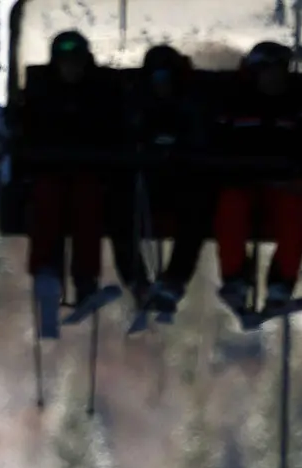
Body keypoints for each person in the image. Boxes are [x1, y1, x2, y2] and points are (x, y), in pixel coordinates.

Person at [20, 30, 122, 340]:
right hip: (49, 174)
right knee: (47, 201)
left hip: (87, 175)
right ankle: (47, 274)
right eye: (65, 63)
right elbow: (24, 131)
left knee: (87, 206)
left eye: (76, 63)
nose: (71, 70)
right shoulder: (40, 94)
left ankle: (85, 281)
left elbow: (112, 131)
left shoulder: (99, 95)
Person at [102, 44, 210, 333]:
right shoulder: (136, 102)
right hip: (144, 182)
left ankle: (174, 281)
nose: (162, 85)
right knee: (119, 210)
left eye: (168, 78)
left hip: (180, 182)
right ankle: (137, 281)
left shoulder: (191, 103)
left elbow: (201, 139)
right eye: (157, 78)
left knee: (196, 211)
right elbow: (121, 137)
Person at [211, 41, 302, 318]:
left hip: (282, 182)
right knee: (231, 209)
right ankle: (235, 280)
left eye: (281, 70)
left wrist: (300, 176)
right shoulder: (235, 102)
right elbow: (218, 143)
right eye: (270, 70)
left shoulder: (295, 103)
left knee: (294, 212)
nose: (277, 76)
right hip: (242, 180)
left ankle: (280, 286)